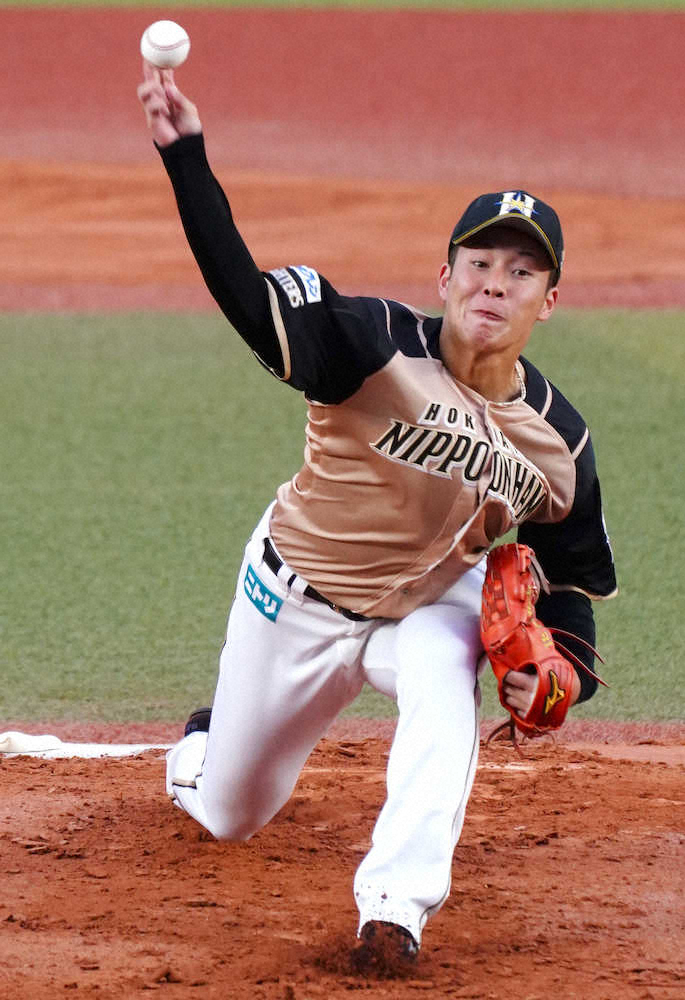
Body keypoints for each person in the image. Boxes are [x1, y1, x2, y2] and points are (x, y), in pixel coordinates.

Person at [137, 64, 617, 968]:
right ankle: (203, 747)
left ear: (547, 302)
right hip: (295, 599)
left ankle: (394, 912)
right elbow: (246, 296)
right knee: (232, 814)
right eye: (479, 264)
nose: (495, 284)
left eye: (520, 272)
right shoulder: (369, 343)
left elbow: (571, 584)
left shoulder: (558, 442)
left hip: (424, 610)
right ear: (445, 276)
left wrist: (562, 676)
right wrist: (185, 156)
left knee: (446, 673)